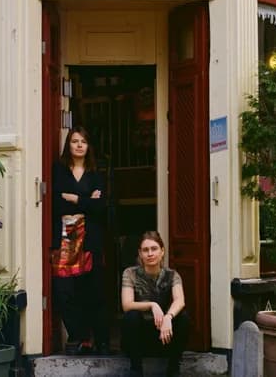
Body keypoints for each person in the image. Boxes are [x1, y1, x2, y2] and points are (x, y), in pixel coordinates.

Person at [51, 127, 110, 355]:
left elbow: (100, 207)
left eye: (83, 141)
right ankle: (78, 336)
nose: (79, 145)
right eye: (74, 141)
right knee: (64, 291)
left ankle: (102, 341)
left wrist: (75, 198)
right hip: (64, 240)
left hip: (90, 240)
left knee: (94, 291)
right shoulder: (59, 170)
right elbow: (56, 204)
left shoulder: (96, 173)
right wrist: (87, 201)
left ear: (88, 146)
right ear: (69, 145)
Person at [120, 231, 188, 377]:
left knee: (183, 317)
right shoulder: (130, 273)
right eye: (145, 250)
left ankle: (173, 369)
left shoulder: (172, 275)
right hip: (138, 338)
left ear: (162, 251)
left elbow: (180, 300)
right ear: (140, 253)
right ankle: (136, 370)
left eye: (154, 249)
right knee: (131, 316)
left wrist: (168, 317)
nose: (150, 254)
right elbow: (126, 304)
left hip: (163, 337)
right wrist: (152, 305)